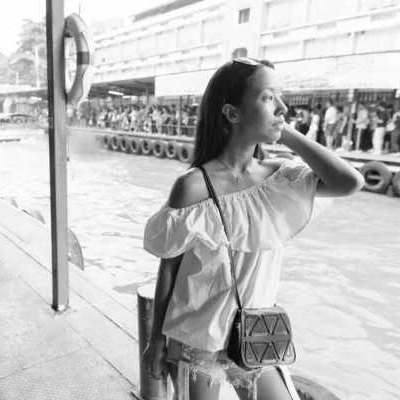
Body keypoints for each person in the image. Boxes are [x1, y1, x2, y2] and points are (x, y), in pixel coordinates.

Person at [141, 58, 364, 400]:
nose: (283, 106)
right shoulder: (192, 186)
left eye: (280, 95)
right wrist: (156, 340)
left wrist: (285, 131)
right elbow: (168, 268)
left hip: (257, 335)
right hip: (195, 341)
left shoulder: (280, 177)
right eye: (267, 97)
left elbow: (349, 182)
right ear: (232, 114)